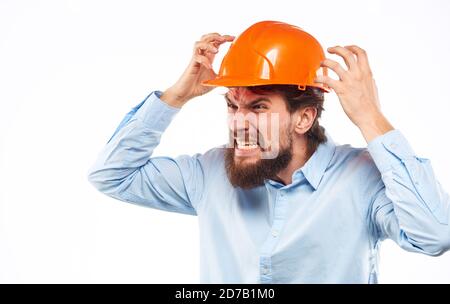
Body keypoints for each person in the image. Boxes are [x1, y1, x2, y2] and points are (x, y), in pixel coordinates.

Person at [88, 21, 450, 283]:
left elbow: (436, 234)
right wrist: (176, 95)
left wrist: (371, 118)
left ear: (304, 117)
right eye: (232, 106)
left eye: (258, 107)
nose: (238, 124)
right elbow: (111, 175)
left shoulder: (360, 179)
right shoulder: (209, 173)